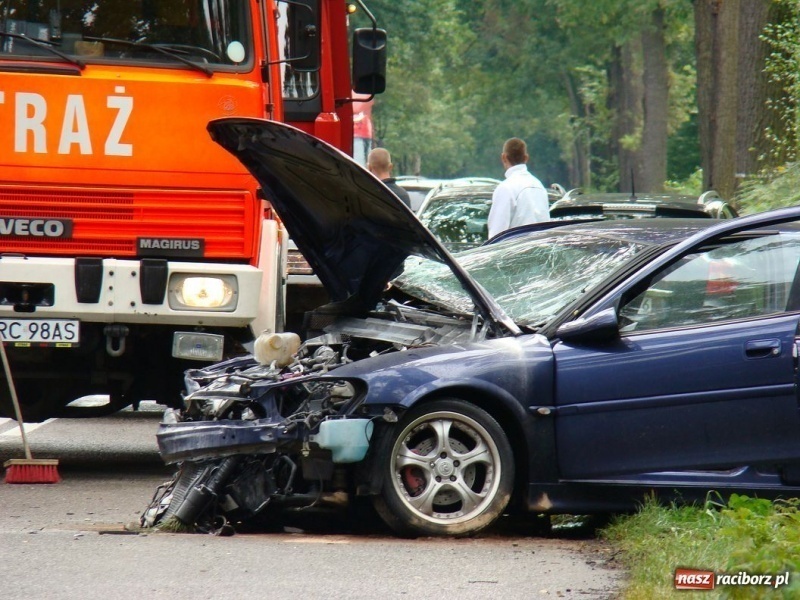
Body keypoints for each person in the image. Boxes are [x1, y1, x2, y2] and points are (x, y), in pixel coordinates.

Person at [486, 137, 549, 239]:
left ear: (504, 157)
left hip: (515, 253)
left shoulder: (506, 188)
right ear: (526, 158)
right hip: (540, 251)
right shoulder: (539, 186)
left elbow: (497, 235)